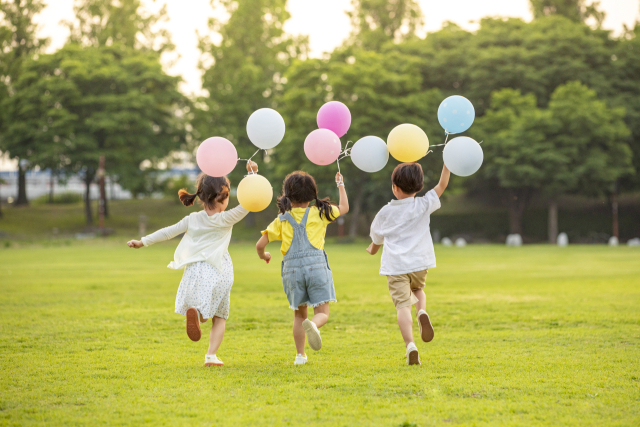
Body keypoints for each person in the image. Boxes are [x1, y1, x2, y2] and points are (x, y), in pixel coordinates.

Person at [126, 161, 258, 367]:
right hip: (219, 269)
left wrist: (143, 241)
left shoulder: (192, 218)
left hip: (195, 270)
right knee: (220, 315)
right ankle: (211, 355)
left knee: (205, 308)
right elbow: (249, 202)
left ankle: (197, 313)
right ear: (223, 197)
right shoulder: (226, 219)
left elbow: (168, 232)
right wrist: (252, 175)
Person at [256, 171, 348, 365]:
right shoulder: (320, 212)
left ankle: (300, 356)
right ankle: (314, 325)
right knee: (322, 313)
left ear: (287, 194)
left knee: (299, 315)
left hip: (292, 271)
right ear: (312, 193)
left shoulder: (282, 218)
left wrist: (264, 255)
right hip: (317, 269)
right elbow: (345, 207)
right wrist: (340, 184)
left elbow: (259, 245)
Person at [366, 163, 450, 365]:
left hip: (396, 267)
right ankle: (421, 311)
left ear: (395, 187)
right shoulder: (423, 204)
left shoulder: (385, 212)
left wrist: (372, 249)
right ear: (419, 186)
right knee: (418, 289)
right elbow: (442, 184)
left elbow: (376, 238)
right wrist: (446, 164)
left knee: (402, 306)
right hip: (420, 263)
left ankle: (410, 345)